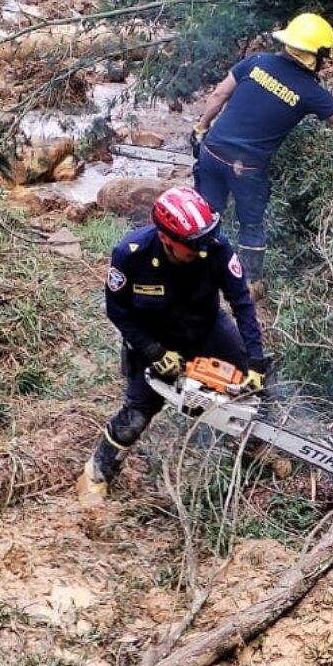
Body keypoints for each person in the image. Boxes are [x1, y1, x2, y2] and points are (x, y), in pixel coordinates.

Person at [190, 12, 333, 287]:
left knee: (205, 214)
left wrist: (200, 128)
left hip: (211, 151)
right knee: (252, 226)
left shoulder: (256, 62)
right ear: (314, 55)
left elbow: (218, 95)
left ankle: (195, 269)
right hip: (246, 168)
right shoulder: (309, 91)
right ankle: (247, 284)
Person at [80, 187, 267, 501]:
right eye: (193, 246)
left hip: (207, 329)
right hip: (154, 338)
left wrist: (256, 361)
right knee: (136, 416)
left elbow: (242, 302)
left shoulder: (217, 249)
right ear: (167, 239)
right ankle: (97, 471)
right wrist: (153, 351)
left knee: (253, 390)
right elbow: (118, 311)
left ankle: (259, 450)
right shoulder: (131, 254)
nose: (202, 248)